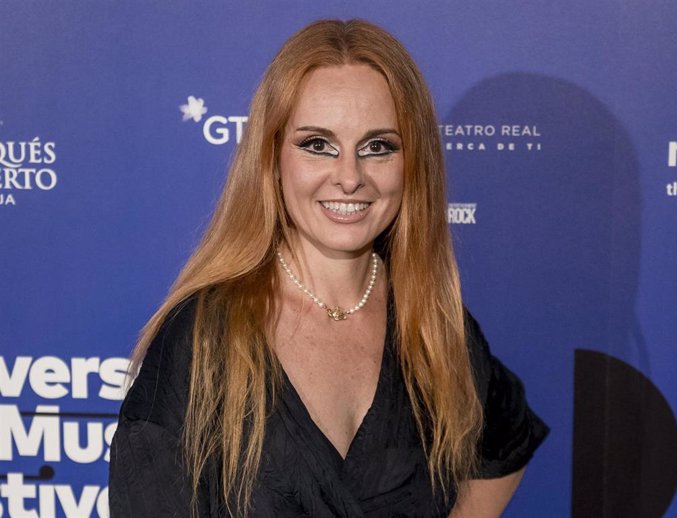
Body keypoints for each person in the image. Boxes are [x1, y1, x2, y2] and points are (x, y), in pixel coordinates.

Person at [109, 19, 548, 518]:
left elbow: (506, 440)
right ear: (272, 157)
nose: (349, 177)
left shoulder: (434, 324)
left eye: (378, 146)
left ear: (413, 163)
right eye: (318, 144)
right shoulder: (202, 339)